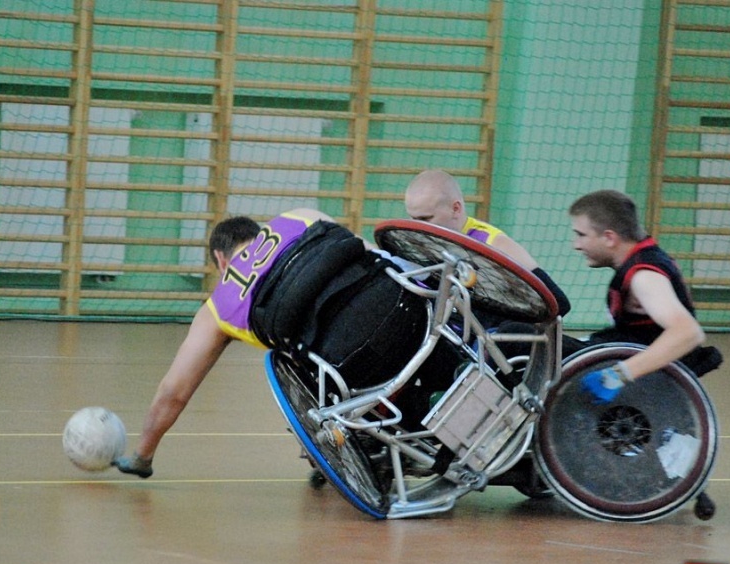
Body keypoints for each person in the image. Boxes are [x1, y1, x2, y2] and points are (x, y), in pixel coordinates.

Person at [112, 208, 431, 478]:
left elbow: (174, 393)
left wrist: (143, 455)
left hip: (354, 367)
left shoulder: (217, 309)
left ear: (221, 261)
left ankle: (366, 447)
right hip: (411, 316)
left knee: (292, 361)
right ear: (259, 232)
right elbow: (369, 255)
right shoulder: (300, 217)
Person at [567, 189, 721, 517]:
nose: (576, 244)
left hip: (647, 376)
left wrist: (619, 374)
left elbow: (688, 332)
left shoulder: (644, 275)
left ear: (609, 237)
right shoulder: (641, 260)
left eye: (581, 235)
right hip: (628, 351)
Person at [403, 169, 571, 318]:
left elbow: (558, 303)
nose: (419, 227)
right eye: (413, 218)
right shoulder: (416, 244)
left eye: (426, 218)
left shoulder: (493, 242)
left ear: (456, 209)